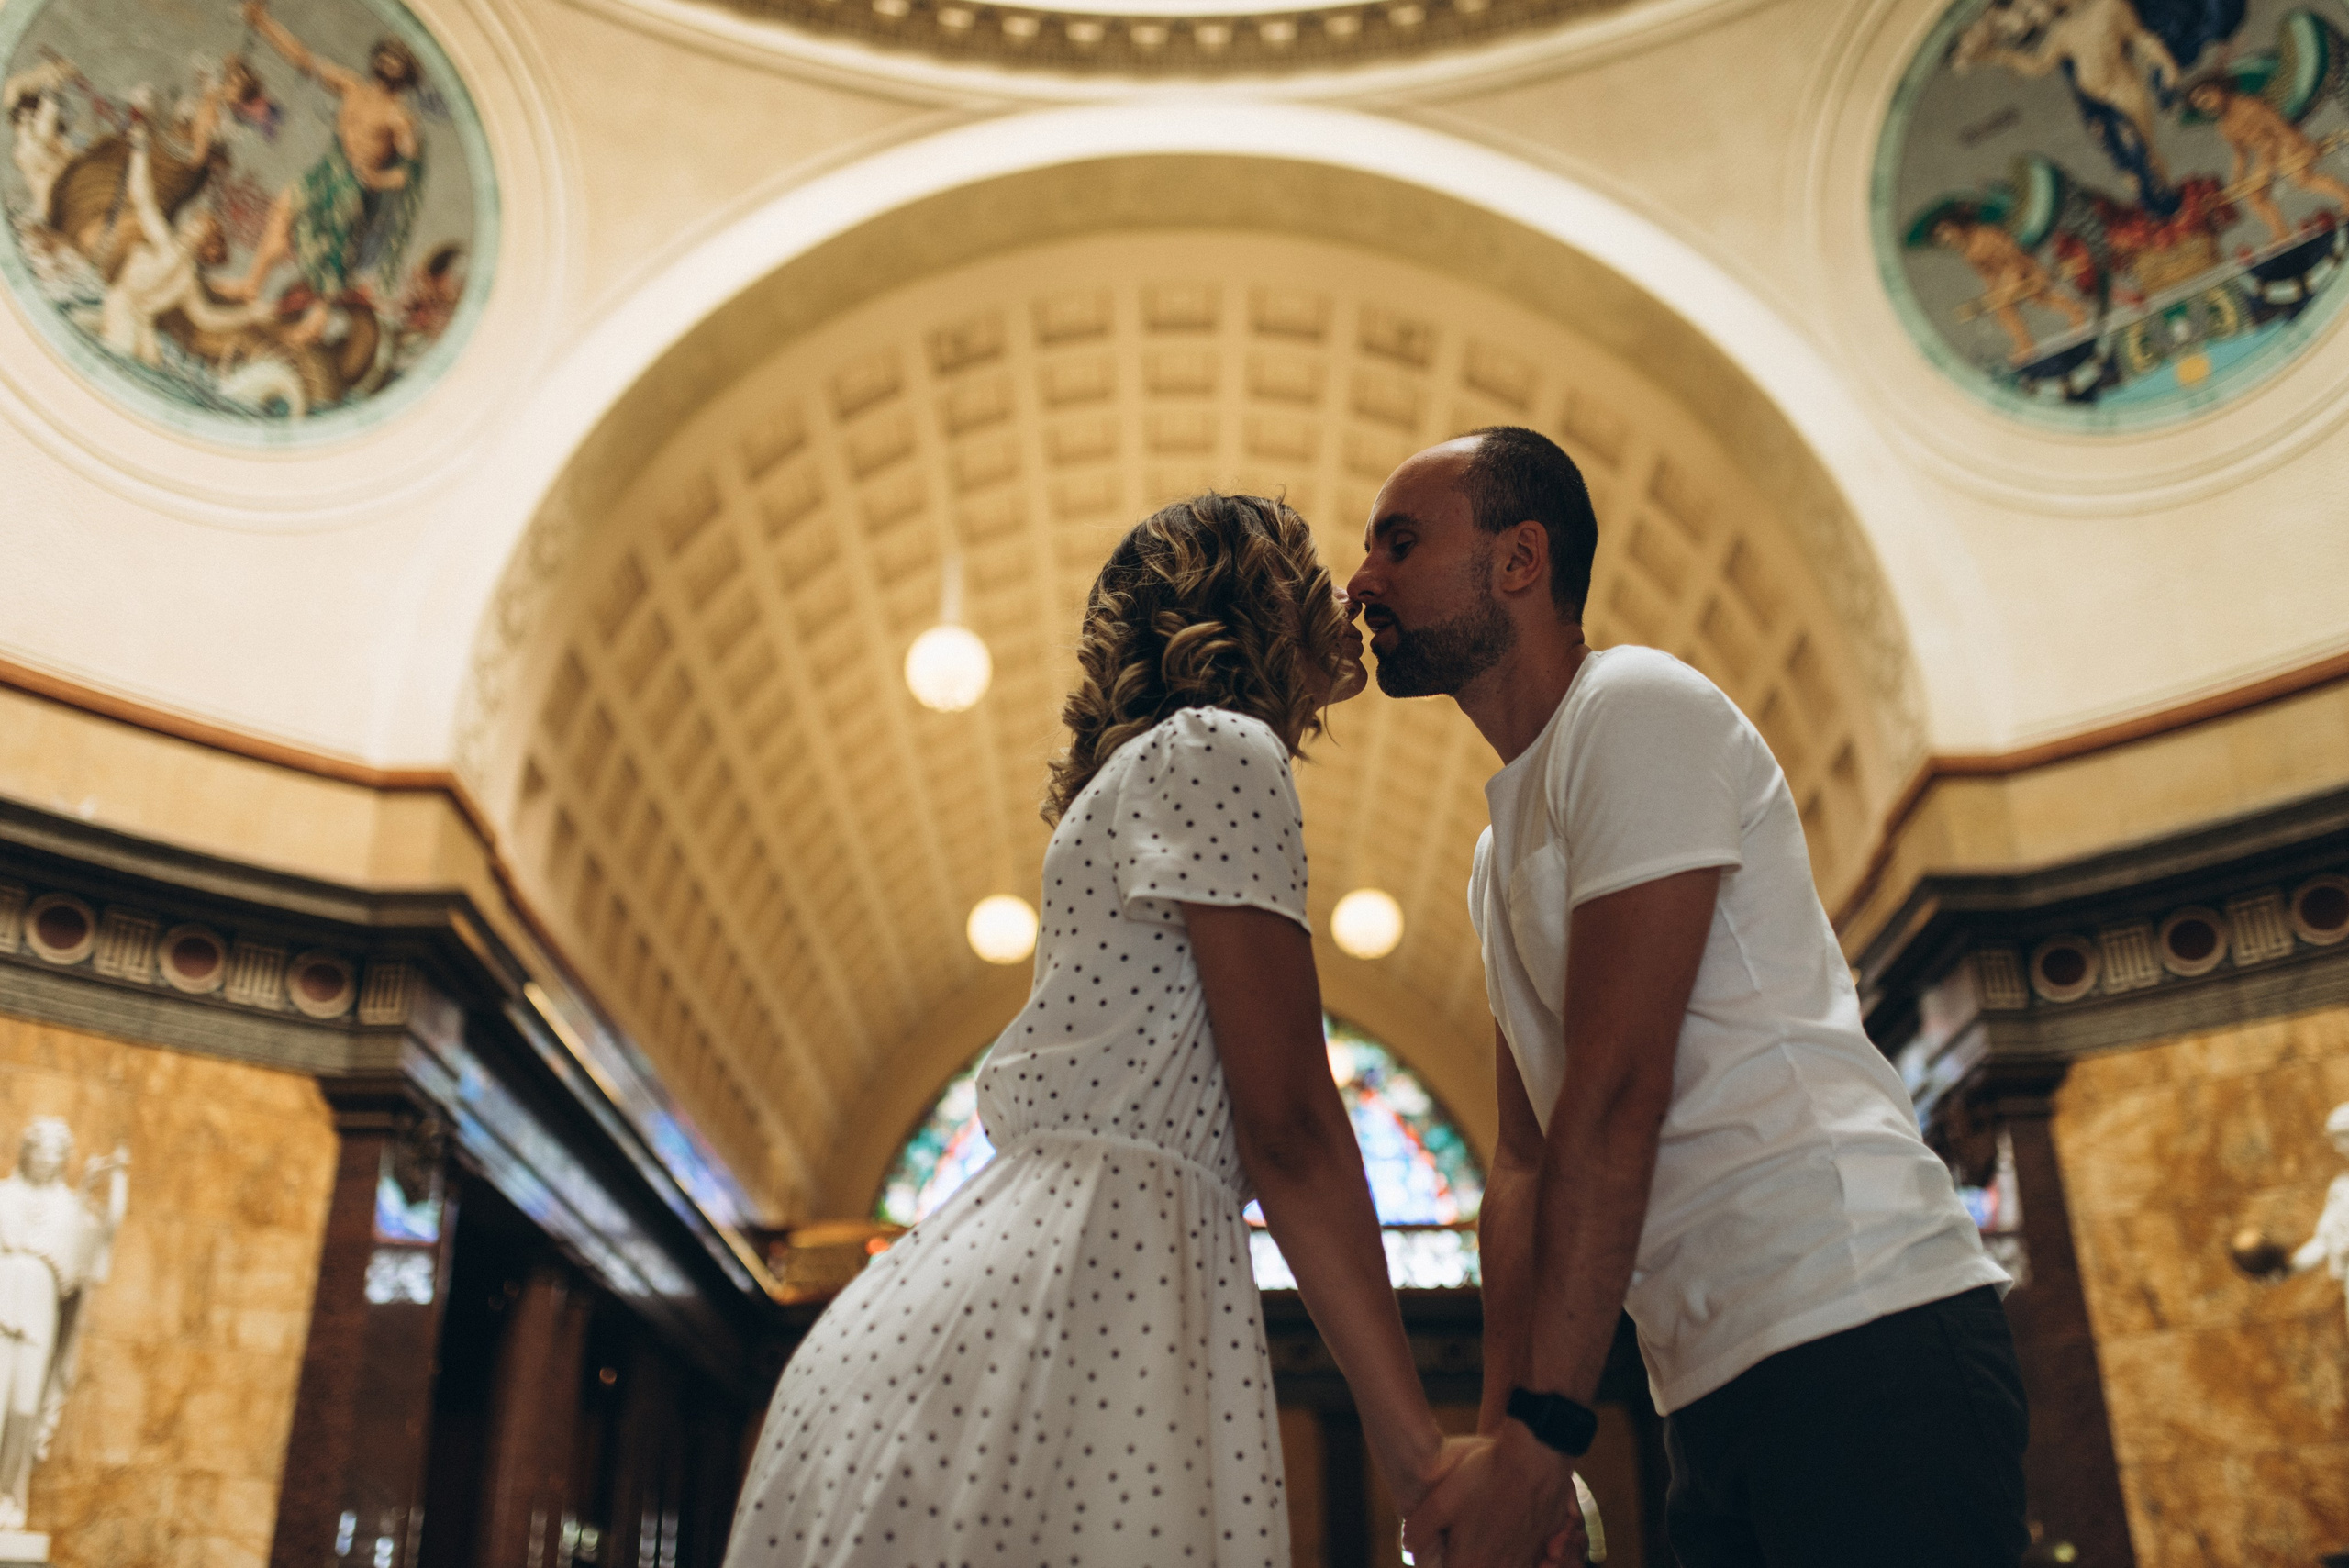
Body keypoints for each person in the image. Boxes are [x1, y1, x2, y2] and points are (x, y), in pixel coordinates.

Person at [724, 494, 1578, 1567]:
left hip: (968, 1314)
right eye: (1317, 573)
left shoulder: (1146, 771)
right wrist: (1415, 1456)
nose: (1351, 592)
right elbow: (1293, 1131)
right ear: (1265, 602)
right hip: (1091, 1284)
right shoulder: (1221, 750)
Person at [1347, 428, 2025, 1568]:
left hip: (1863, 1328)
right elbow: (1520, 1164)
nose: (1360, 579)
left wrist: (1548, 1437)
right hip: (1704, 1382)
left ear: (1520, 558)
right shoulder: (1490, 854)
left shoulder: (1634, 705)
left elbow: (1618, 1090)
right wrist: (1513, 1440)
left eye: (1399, 543)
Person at [226, 0, 424, 340]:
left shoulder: (400, 117)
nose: (389, 63)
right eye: (386, 56)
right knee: (284, 207)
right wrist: (263, 22)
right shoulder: (351, 86)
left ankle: (318, 320)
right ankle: (252, 284)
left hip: (354, 186)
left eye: (398, 61)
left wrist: (377, 178)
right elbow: (304, 59)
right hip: (328, 170)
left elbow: (407, 174)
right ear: (377, 58)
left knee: (334, 248)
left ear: (405, 74)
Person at [96, 115, 265, 366]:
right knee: (121, 356)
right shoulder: (163, 240)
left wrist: (250, 313)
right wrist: (140, 150)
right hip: (121, 306)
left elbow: (206, 317)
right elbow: (142, 196)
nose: (191, 225)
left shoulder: (186, 279)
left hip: (141, 321)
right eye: (195, 220)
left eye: (200, 227)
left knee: (152, 369)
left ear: (205, 246)